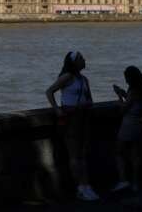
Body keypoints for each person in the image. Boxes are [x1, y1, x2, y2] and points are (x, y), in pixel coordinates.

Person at [46, 51, 99, 201]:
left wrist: (88, 105)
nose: (84, 60)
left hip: (84, 117)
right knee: (75, 155)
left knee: (82, 154)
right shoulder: (67, 77)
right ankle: (80, 188)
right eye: (81, 58)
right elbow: (49, 92)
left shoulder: (84, 79)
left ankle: (86, 185)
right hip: (71, 119)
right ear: (74, 62)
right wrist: (57, 110)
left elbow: (90, 99)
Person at [111, 66, 142, 193]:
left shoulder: (133, 91)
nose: (126, 81)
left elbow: (124, 109)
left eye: (127, 78)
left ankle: (123, 181)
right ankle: (135, 184)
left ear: (131, 78)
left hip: (129, 124)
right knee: (135, 154)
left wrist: (118, 98)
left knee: (118, 151)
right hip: (140, 124)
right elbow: (135, 102)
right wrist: (124, 94)